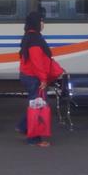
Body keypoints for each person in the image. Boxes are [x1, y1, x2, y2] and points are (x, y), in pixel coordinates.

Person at [16, 11, 63, 147]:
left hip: (28, 75)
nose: (43, 23)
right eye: (41, 21)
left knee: (35, 103)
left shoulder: (29, 36)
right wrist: (43, 79)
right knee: (39, 106)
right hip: (33, 77)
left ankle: (23, 127)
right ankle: (33, 139)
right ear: (36, 22)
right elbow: (37, 61)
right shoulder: (35, 39)